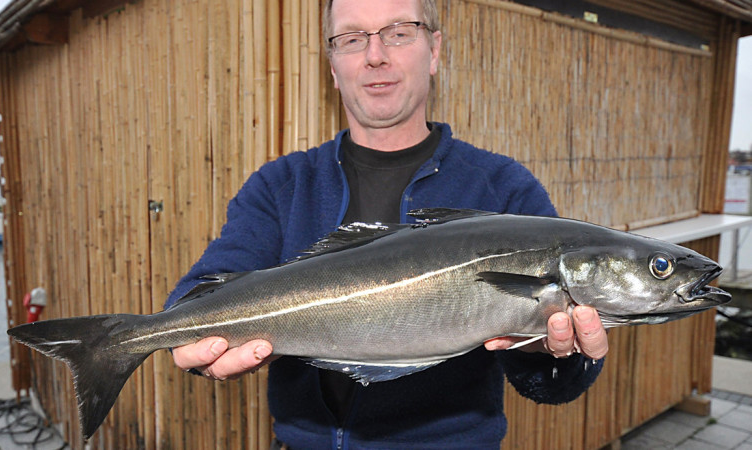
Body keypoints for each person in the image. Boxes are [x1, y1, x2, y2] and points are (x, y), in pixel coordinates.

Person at [165, 0, 609, 448]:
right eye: (352, 38)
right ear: (333, 66)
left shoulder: (504, 189)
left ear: (434, 50)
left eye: (398, 32)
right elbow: (197, 294)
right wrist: (187, 340)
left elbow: (555, 385)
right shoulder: (282, 185)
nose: (375, 55)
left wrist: (549, 349)